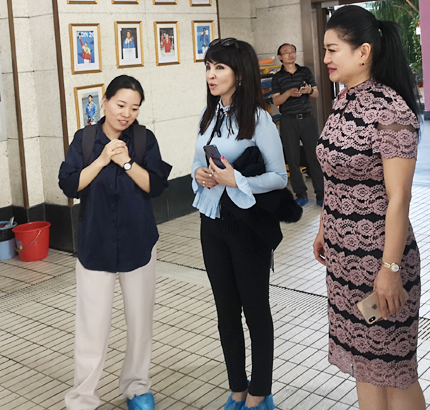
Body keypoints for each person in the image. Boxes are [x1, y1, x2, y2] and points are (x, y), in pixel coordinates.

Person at [313, 5, 425, 410]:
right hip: (344, 263)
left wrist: (390, 269)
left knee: (394, 371)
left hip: (379, 262)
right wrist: (325, 227)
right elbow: (335, 174)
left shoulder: (390, 111)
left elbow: (399, 198)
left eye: (332, 49)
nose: (325, 58)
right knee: (365, 365)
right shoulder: (343, 101)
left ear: (363, 52)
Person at [59, 75, 172, 410]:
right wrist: (102, 159)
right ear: (105, 101)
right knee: (91, 326)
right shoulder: (84, 139)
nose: (126, 114)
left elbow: (155, 185)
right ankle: (82, 398)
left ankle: (137, 387)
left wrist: (126, 162)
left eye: (134, 108)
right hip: (95, 243)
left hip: (139, 241)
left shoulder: (143, 139)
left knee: (140, 321)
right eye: (121, 105)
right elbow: (69, 185)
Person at [192, 38, 287, 410]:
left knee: (255, 310)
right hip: (211, 221)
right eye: (208, 67)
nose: (211, 75)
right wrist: (199, 174)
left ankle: (260, 393)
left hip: (246, 225)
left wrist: (238, 181)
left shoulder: (259, 119)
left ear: (240, 74)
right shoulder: (209, 114)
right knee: (225, 311)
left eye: (220, 67)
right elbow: (197, 163)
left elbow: (279, 177)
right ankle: (237, 389)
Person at [271, 43, 325, 207]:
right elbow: (276, 100)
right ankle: (300, 193)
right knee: (292, 157)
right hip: (288, 120)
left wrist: (308, 91)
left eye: (293, 52)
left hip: (307, 119)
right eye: (286, 53)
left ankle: (321, 193)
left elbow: (316, 93)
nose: (290, 55)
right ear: (280, 57)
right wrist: (288, 93)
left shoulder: (305, 72)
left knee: (314, 156)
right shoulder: (277, 77)